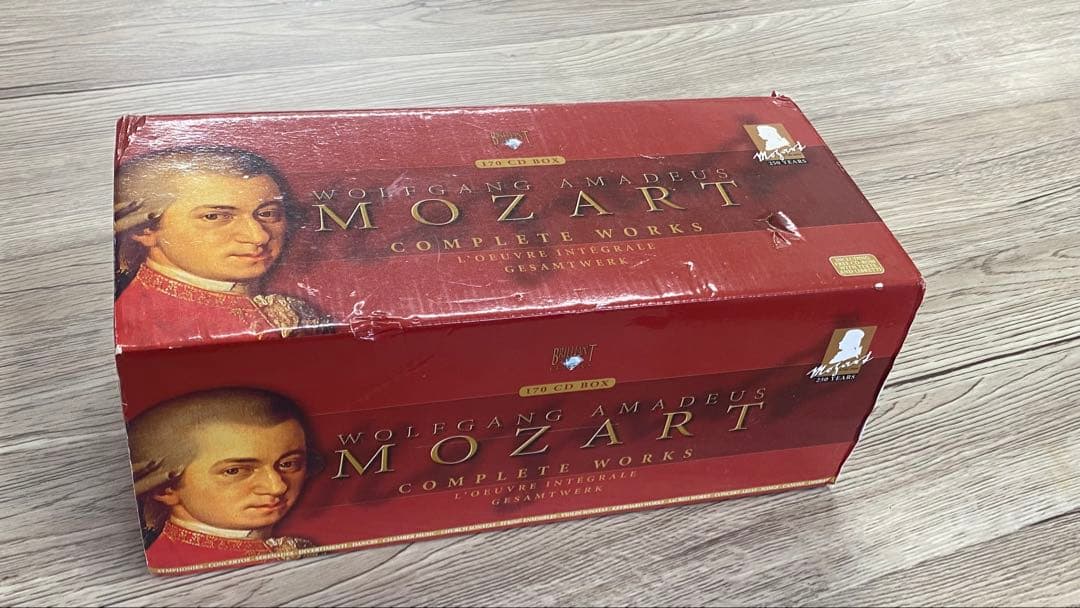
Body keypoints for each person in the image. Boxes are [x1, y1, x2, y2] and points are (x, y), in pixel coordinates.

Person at [114, 146, 327, 345]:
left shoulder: (293, 309)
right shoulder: (143, 327)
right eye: (214, 216)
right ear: (145, 230)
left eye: (267, 213)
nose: (259, 236)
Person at [128, 387, 321, 571]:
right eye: (235, 471)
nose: (277, 487)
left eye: (288, 464)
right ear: (166, 489)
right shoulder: (174, 566)